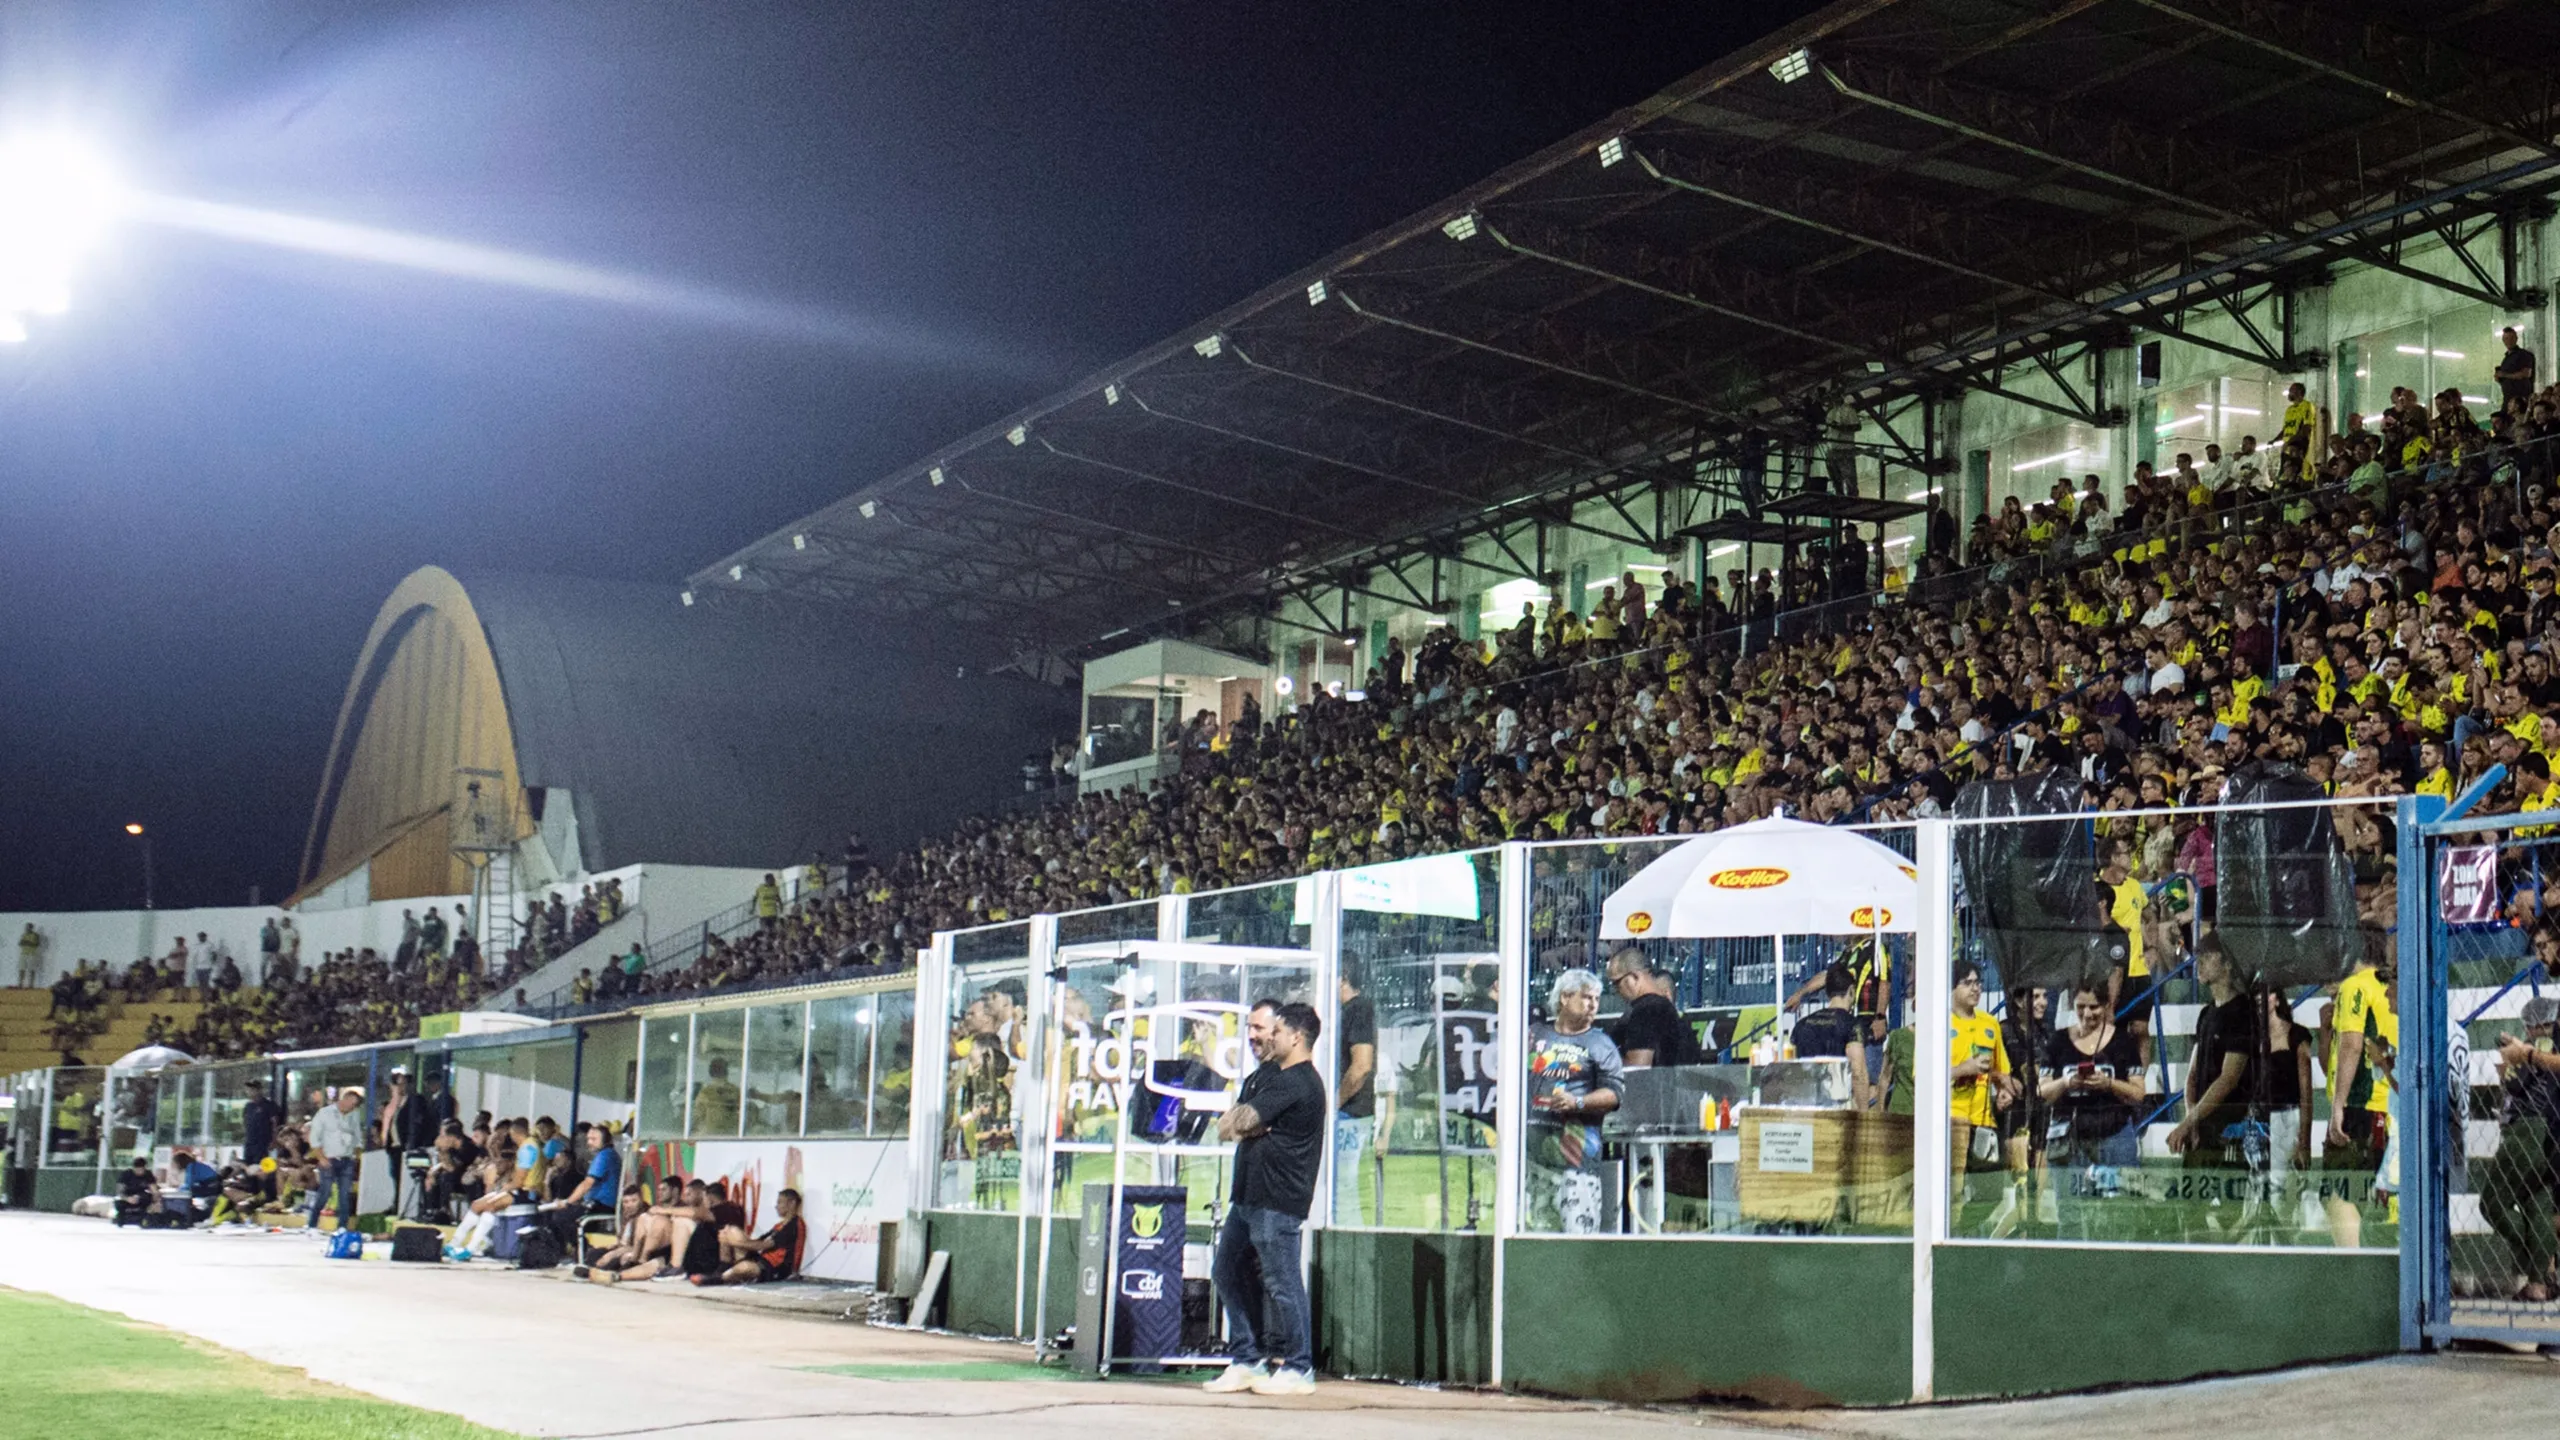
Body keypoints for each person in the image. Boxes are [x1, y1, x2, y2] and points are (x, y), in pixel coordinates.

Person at [1202, 999, 1326, 1398]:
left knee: (1283, 1281)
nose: (1266, 1036)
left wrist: (1249, 1124)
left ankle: (1298, 1366)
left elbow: (1239, 1122)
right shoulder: (1265, 1076)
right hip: (1248, 1197)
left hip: (1278, 1199)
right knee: (1225, 1270)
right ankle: (1247, 1359)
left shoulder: (1299, 1081)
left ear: (1296, 1036)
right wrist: (1252, 1126)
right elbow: (1228, 1125)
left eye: (1273, 1030)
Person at [1525, 969, 1625, 1235]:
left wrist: (1577, 1102)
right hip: (1530, 1160)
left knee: (1576, 1241)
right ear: (1565, 998)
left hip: (1577, 1164)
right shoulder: (1534, 1036)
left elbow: (1615, 1093)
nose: (1593, 1005)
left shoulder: (1601, 1044)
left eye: (1596, 999)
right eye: (1586, 998)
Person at [2322, 925, 2397, 1248]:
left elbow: (2352, 1045)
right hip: (2390, 1105)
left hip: (2362, 1106)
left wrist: (2338, 1106)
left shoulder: (2355, 986)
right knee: (2372, 1194)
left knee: (2339, 1192)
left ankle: (2352, 1269)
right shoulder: (2391, 986)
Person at [2484, 996, 2560, 1300]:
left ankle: (2533, 1255)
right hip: (2549, 1131)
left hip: (2527, 1129)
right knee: (2536, 1205)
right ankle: (2540, 1283)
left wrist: (2510, 1064)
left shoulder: (2540, 1047)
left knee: (2492, 1202)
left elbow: (2517, 1084)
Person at [1785, 962, 1872, 1109]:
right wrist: (1864, 1115)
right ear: (1851, 990)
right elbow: (1858, 1073)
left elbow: (1792, 1071)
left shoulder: (1801, 1025)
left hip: (1806, 1105)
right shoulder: (1851, 1025)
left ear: (1827, 993)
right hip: (1837, 1105)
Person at [1333, 965, 1379, 1226]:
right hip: (1347, 1111)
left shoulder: (1359, 1009)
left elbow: (1361, 1066)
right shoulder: (1347, 1011)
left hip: (1350, 1113)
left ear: (1344, 978)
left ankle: (1352, 1250)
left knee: (1343, 1189)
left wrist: (1334, 1103)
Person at [1604, 948, 1702, 1068]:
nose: (1615, 991)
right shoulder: (1664, 1009)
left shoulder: (1646, 1010)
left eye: (1617, 983)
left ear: (1635, 976)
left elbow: (1637, 1069)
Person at [696, 1188, 806, 1286]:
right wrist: (733, 1239)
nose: (776, 1206)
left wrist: (734, 1242)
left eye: (780, 1202)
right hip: (764, 1260)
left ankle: (718, 1278)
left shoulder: (794, 1225)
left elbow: (763, 1245)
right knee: (729, 1230)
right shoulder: (779, 1226)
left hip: (776, 1268)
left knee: (745, 1267)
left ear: (792, 1203)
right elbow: (758, 1241)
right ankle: (723, 1267)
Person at [305, 1087, 366, 1233]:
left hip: (347, 1160)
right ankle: (312, 1224)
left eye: (354, 1105)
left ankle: (342, 1227)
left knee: (344, 1194)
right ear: (343, 1099)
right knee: (324, 1192)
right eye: (350, 1103)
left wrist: (356, 1156)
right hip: (328, 1159)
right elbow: (314, 1138)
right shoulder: (325, 1113)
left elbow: (357, 1138)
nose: (351, 1107)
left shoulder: (354, 1115)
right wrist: (321, 1158)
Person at [112, 1156, 156, 1226]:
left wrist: (155, 1201)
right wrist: (127, 1199)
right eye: (137, 1169)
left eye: (141, 1170)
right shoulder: (126, 1174)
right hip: (127, 1196)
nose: (139, 1172)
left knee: (147, 1197)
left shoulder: (148, 1174)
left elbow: (154, 1190)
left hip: (141, 1196)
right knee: (118, 1202)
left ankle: (143, 1218)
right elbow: (119, 1191)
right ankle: (121, 1218)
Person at [18, 922, 42, 987]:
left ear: (31, 928)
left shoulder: (35, 935)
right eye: (26, 927)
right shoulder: (24, 935)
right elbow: (20, 943)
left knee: (31, 969)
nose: (27, 929)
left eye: (28, 927)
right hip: (23, 954)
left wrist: (27, 942)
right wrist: (24, 942)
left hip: (32, 954)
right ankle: (20, 983)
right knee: (21, 969)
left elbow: (37, 944)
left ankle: (31, 984)